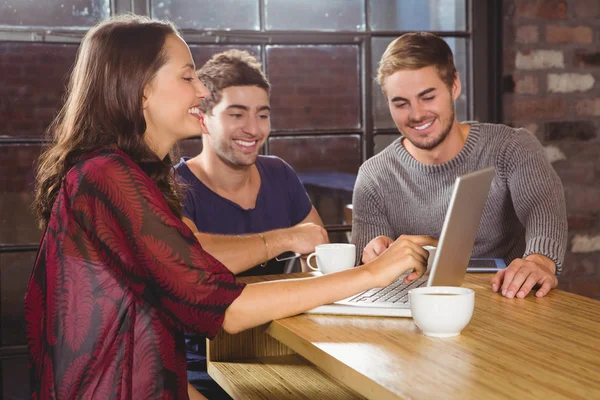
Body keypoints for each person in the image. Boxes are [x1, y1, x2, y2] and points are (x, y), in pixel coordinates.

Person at [26, 15, 436, 399]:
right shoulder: (108, 178)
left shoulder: (126, 176)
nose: (201, 91)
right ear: (141, 89)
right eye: (188, 76)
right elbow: (228, 310)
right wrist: (373, 274)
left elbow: (146, 339)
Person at [353, 32, 567, 300]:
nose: (416, 114)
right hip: (420, 313)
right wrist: (372, 255)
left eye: (428, 97)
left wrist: (539, 261)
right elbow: (366, 276)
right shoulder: (374, 176)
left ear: (454, 86)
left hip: (509, 301)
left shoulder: (511, 147)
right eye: (401, 103)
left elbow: (543, 207)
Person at [174, 49, 325, 398]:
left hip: (283, 351)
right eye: (236, 114)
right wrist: (285, 238)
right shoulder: (175, 187)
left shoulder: (280, 174)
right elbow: (194, 264)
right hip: (203, 366)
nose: (254, 130)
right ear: (202, 117)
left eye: (262, 114)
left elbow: (319, 252)